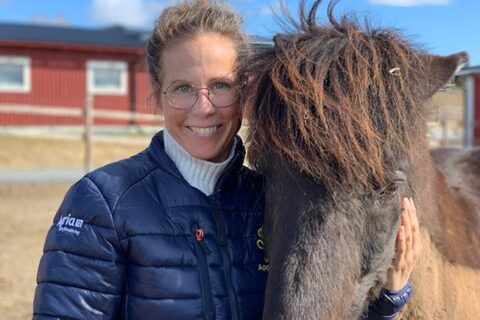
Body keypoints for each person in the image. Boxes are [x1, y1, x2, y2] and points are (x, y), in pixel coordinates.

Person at [32, 1, 421, 319]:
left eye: (220, 85)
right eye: (183, 88)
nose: (204, 108)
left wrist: (388, 300)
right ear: (158, 94)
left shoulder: (268, 197)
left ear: (245, 92)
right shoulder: (103, 203)